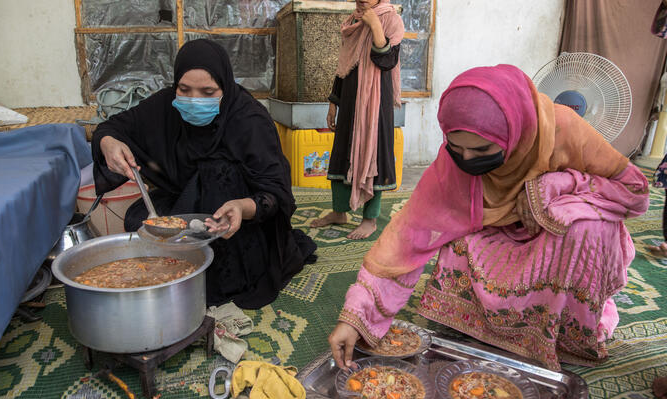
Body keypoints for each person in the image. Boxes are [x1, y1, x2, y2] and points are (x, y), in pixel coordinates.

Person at [328, 64, 650, 371]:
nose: (466, 160)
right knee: (452, 234)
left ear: (515, 131)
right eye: (456, 148)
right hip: (497, 236)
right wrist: (354, 314)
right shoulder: (453, 165)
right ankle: (484, 326)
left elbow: (634, 190)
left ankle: (563, 330)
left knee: (587, 227)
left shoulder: (563, 128)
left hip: (552, 240)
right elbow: (407, 235)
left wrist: (556, 186)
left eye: (482, 152)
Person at [91, 39, 317, 309]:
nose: (194, 100)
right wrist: (109, 143)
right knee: (140, 221)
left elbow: (276, 195)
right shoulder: (166, 105)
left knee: (217, 170)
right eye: (184, 89)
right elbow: (111, 128)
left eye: (208, 91)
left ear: (225, 86)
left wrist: (241, 207)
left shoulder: (249, 120)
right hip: (187, 200)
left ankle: (224, 272)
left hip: (235, 222)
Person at [310, 0, 404, 240]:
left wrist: (375, 27)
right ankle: (339, 212)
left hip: (376, 105)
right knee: (343, 152)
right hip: (351, 101)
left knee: (374, 154)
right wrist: (333, 102)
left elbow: (387, 62)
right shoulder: (352, 21)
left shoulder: (390, 19)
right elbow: (344, 66)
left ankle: (369, 219)